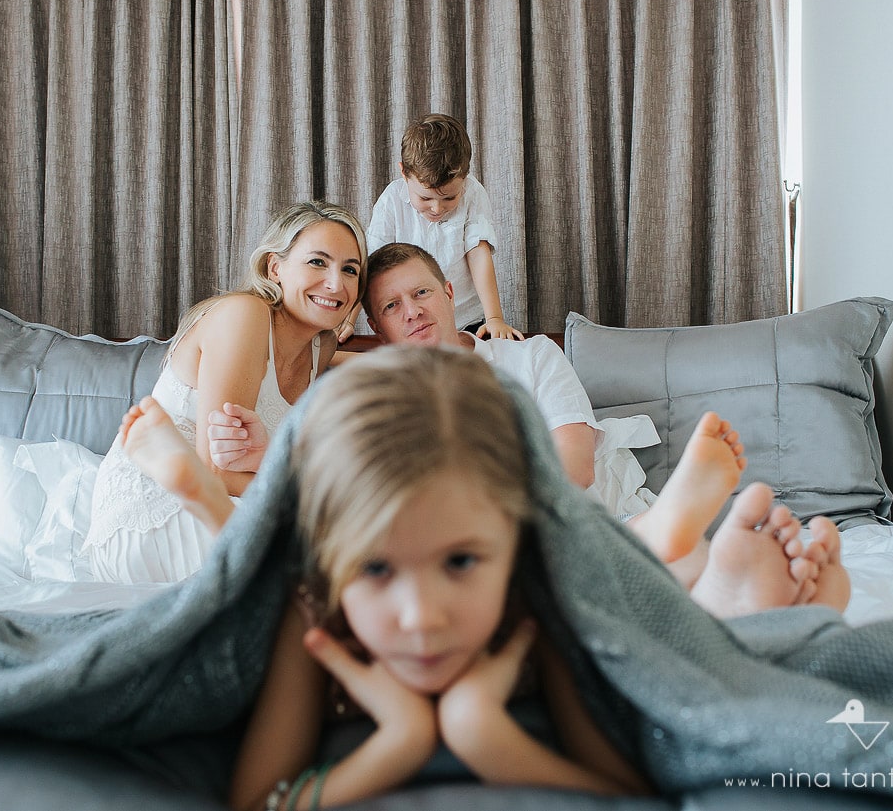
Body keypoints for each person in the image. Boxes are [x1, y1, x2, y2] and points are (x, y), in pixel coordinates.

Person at [114, 347, 848, 809]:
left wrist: (484, 735)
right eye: (375, 567)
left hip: (567, 578)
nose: (422, 615)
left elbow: (632, 787)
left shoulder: (541, 592)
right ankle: (208, 499)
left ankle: (708, 580)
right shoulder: (312, 612)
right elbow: (258, 799)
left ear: (515, 546)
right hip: (305, 563)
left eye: (460, 561)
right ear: (334, 568)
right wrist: (398, 740)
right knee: (261, 566)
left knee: (645, 594)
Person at [210, 243, 837, 609]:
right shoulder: (383, 387)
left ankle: (693, 557)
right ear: (378, 328)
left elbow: (576, 461)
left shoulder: (529, 355)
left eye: (422, 294)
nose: (414, 314)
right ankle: (688, 555)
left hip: (552, 506)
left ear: (449, 290)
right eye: (392, 309)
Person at [82, 201, 367, 584]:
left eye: (350, 269)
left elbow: (365, 366)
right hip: (157, 511)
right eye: (318, 262)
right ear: (274, 267)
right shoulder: (244, 315)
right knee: (327, 560)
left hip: (235, 500)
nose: (337, 284)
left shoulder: (322, 346)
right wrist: (314, 495)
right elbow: (216, 471)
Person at [343, 113, 523, 342]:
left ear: (464, 179)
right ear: (404, 173)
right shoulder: (391, 200)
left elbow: (478, 254)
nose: (437, 209)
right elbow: (371, 264)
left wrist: (494, 318)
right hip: (409, 322)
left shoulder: (473, 193)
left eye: (449, 198)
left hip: (468, 321)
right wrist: (348, 320)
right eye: (425, 198)